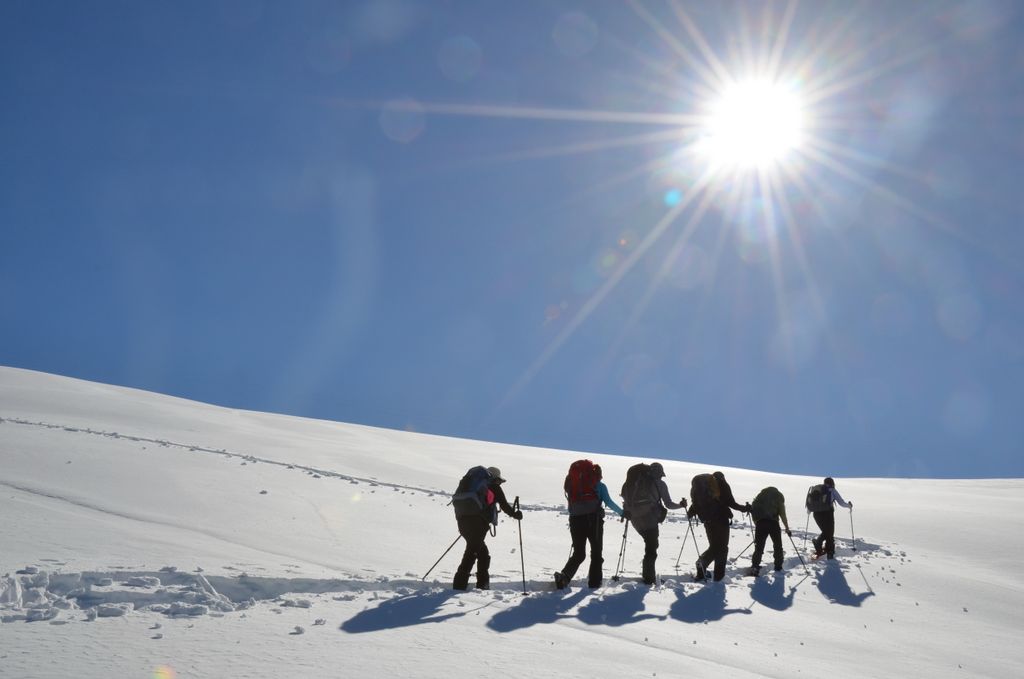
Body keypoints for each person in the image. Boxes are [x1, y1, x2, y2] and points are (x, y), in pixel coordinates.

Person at [555, 463, 624, 590]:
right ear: (598, 475)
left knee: (579, 553)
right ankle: (594, 584)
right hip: (594, 522)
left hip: (575, 520)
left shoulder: (574, 485)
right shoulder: (600, 486)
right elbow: (608, 502)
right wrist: (623, 513)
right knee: (596, 553)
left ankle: (564, 577)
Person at [453, 466, 522, 590]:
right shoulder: (494, 487)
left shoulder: (473, 485)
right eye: (499, 481)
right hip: (478, 524)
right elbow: (504, 505)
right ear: (495, 478)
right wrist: (515, 514)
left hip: (462, 521)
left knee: (482, 553)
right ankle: (459, 585)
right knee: (472, 552)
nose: (499, 483)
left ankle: (482, 585)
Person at [622, 462, 686, 586]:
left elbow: (626, 498)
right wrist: (681, 505)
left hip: (635, 519)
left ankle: (648, 574)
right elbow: (668, 504)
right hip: (649, 519)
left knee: (649, 545)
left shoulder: (634, 482)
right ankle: (649, 578)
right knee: (651, 548)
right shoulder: (660, 484)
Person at [688, 470, 748, 582]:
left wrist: (691, 513)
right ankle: (718, 577)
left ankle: (702, 564)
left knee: (714, 546)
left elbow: (695, 505)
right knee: (722, 548)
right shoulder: (722, 485)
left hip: (708, 521)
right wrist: (746, 508)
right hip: (721, 520)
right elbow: (732, 503)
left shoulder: (704, 489)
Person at [748, 486, 791, 576]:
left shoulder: (760, 496)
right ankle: (778, 566)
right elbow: (782, 513)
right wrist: (786, 527)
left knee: (759, 546)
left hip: (760, 523)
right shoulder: (778, 496)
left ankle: (755, 566)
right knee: (778, 545)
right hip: (773, 523)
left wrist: (757, 523)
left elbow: (754, 510)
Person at [811, 476, 852, 560]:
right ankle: (829, 552)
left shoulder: (818, 490)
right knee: (829, 533)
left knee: (826, 532)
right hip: (827, 513)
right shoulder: (832, 490)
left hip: (816, 514)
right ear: (832, 483)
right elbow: (841, 502)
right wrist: (849, 506)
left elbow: (810, 503)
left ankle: (819, 545)